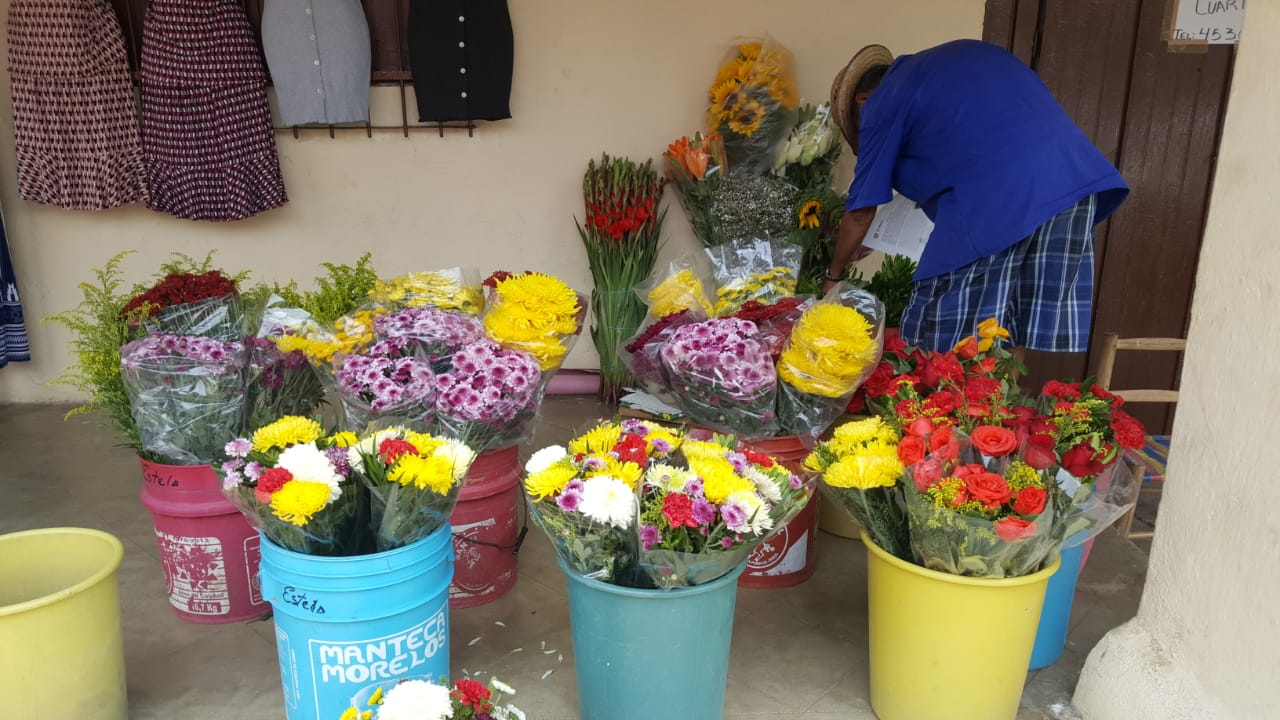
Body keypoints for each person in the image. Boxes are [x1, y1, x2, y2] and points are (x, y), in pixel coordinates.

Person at [823, 40, 1128, 354]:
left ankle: (955, 402)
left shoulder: (882, 101)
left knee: (941, 333)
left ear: (863, 100)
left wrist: (833, 276)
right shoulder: (945, 68)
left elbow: (860, 213)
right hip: (1073, 187)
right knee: (1012, 325)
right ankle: (1000, 402)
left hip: (1000, 200)